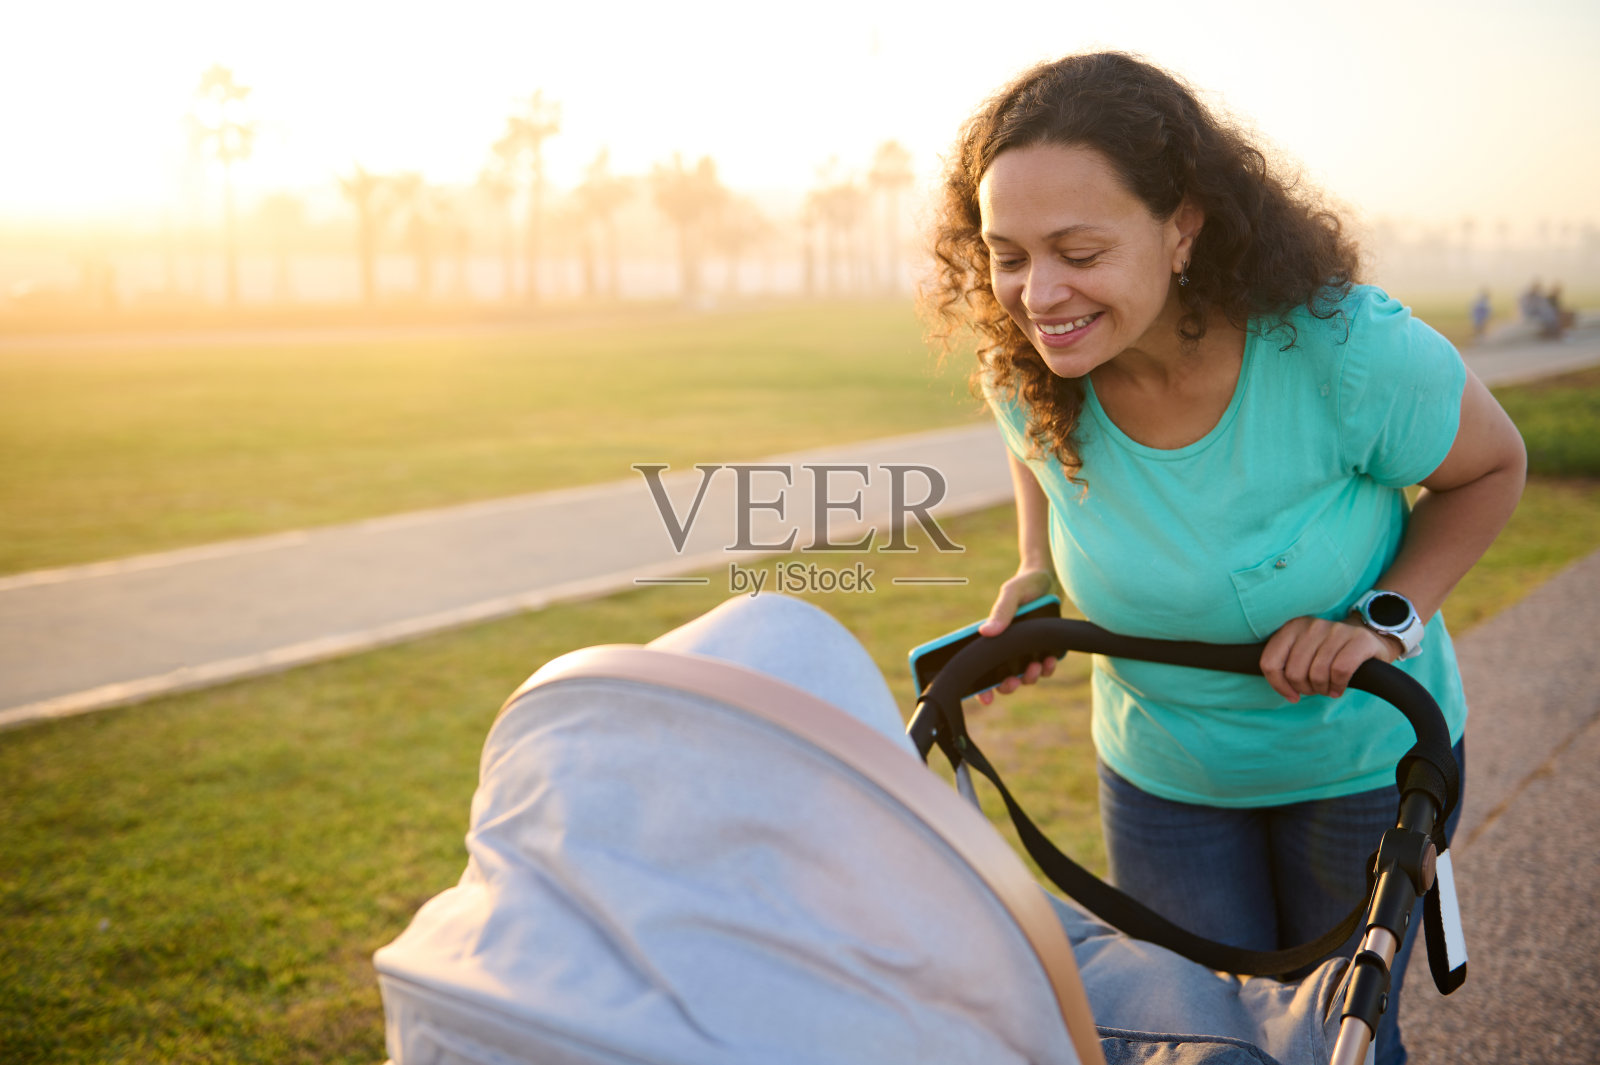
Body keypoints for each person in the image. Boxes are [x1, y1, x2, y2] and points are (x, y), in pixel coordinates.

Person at [921, 52, 1527, 1065]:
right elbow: (1036, 452)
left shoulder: (1342, 352)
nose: (1037, 293)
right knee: (1194, 1036)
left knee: (1336, 1038)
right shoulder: (1025, 367)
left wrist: (1380, 620)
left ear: (1183, 228)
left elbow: (1492, 468)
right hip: (1163, 775)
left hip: (1356, 760)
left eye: (1078, 250)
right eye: (1007, 255)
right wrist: (1034, 564)